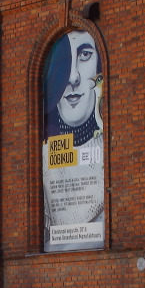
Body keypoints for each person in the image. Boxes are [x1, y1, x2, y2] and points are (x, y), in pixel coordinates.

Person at [40, 30, 105, 251]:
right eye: (63, 62)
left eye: (84, 55)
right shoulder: (43, 156)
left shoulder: (112, 151)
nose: (73, 77)